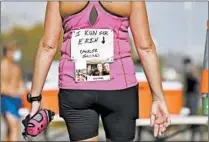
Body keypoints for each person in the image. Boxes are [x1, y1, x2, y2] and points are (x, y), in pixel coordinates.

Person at [28, 2, 171, 141]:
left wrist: (35, 98)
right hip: (120, 87)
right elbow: (146, 48)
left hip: (75, 88)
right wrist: (158, 98)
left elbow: (48, 47)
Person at [1, 40, 27, 141]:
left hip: (16, 100)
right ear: (8, 52)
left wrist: (25, 91)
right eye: (15, 51)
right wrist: (12, 92)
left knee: (10, 129)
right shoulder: (3, 66)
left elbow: (20, 83)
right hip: (6, 99)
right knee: (14, 126)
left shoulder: (16, 67)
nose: (17, 53)